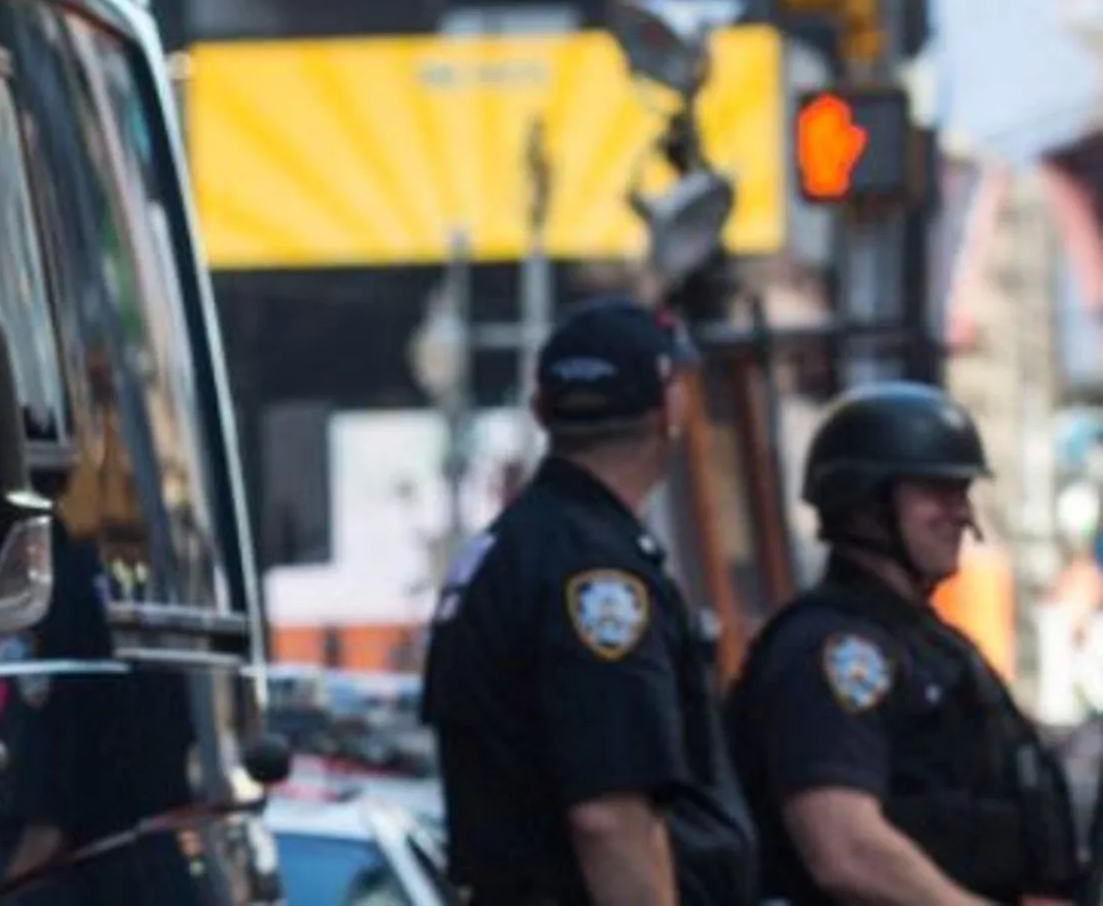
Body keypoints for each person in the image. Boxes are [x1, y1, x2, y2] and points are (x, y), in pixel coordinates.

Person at [420, 296, 756, 906]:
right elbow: (610, 815)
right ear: (671, 407)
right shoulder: (598, 573)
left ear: (541, 410)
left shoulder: (512, 547)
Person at [726, 381, 1082, 906]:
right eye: (937, 493)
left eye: (963, 493)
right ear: (864, 506)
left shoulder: (930, 646)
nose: (962, 515)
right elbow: (846, 850)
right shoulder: (830, 651)